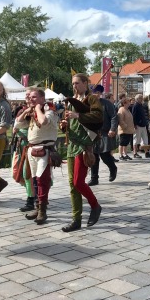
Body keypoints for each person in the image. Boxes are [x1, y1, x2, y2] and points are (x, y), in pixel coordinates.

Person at [59, 73, 103, 232]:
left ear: (85, 83)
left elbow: (98, 117)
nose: (74, 86)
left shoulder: (92, 99)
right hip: (71, 145)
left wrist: (77, 115)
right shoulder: (72, 101)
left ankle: (95, 205)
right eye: (73, 83)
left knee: (78, 182)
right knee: (72, 185)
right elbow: (70, 123)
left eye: (77, 83)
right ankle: (76, 219)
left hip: (84, 145)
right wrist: (64, 125)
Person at [25, 87, 58, 225]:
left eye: (34, 97)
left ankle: (42, 211)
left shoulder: (50, 110)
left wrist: (38, 108)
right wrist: (29, 110)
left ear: (42, 98)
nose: (30, 99)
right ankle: (38, 207)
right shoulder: (31, 112)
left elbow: (44, 121)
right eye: (30, 97)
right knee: (34, 180)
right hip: (32, 149)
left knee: (42, 180)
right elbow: (17, 123)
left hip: (44, 150)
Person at [88, 85, 118, 185]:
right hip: (93, 133)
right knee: (94, 157)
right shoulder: (89, 104)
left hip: (104, 132)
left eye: (97, 93)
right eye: (93, 93)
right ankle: (94, 178)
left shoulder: (107, 104)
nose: (95, 95)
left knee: (105, 155)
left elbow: (114, 117)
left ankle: (113, 168)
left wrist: (112, 129)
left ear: (100, 94)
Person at [12, 89, 33, 213]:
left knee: (28, 174)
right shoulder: (24, 109)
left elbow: (18, 124)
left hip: (32, 145)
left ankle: (32, 199)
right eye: (26, 95)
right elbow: (17, 123)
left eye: (30, 95)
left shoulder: (40, 109)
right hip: (21, 146)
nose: (27, 97)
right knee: (17, 173)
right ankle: (33, 194)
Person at [132, 94, 150, 158]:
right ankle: (135, 152)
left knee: (145, 139)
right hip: (138, 125)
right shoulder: (135, 106)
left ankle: (146, 152)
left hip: (143, 124)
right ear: (137, 99)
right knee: (136, 139)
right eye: (140, 98)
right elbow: (133, 116)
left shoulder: (141, 105)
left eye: (142, 98)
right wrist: (134, 125)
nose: (142, 99)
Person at [117, 96, 135, 161]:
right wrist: (125, 126)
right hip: (124, 130)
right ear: (124, 103)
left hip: (129, 130)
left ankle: (125, 154)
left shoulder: (127, 110)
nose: (129, 103)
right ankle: (120, 155)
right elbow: (120, 119)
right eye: (128, 102)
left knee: (126, 143)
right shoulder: (121, 109)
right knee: (122, 143)